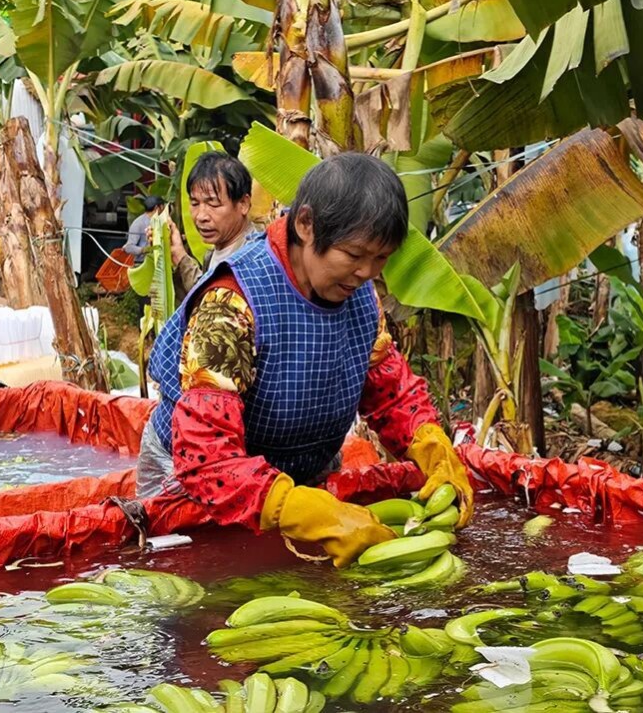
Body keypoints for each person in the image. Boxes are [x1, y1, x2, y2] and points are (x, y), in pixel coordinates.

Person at [136, 153, 474, 568]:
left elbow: (390, 391)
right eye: (354, 254)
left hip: (306, 475)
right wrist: (297, 508)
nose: (367, 272)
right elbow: (208, 458)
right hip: (197, 483)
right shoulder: (232, 303)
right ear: (306, 224)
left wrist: (431, 446)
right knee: (203, 583)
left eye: (380, 258)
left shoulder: (360, 295)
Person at [172, 152, 255, 295]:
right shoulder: (213, 255)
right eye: (194, 203)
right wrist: (178, 254)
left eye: (213, 204)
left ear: (243, 204)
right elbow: (208, 296)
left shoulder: (253, 260)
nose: (201, 216)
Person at [124, 195, 164, 264]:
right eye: (163, 207)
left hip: (158, 263)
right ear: (157, 208)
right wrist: (145, 249)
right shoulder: (138, 223)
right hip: (142, 263)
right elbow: (129, 247)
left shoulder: (161, 221)